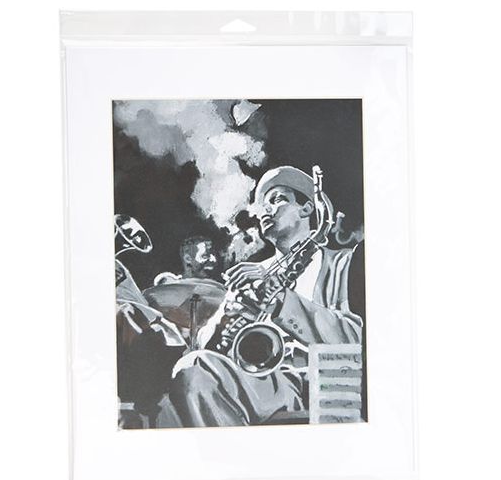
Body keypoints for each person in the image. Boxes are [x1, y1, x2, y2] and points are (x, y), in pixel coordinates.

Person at [156, 165, 365, 428]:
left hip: (316, 384)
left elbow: (354, 338)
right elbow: (201, 347)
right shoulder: (253, 273)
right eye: (262, 205)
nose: (265, 211)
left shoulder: (344, 263)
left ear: (307, 209)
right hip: (261, 384)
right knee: (190, 374)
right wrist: (224, 316)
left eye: (277, 199)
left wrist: (279, 301)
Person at [153, 235, 219, 285]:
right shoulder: (172, 286)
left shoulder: (219, 288)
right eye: (205, 256)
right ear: (188, 259)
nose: (214, 260)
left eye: (214, 255)